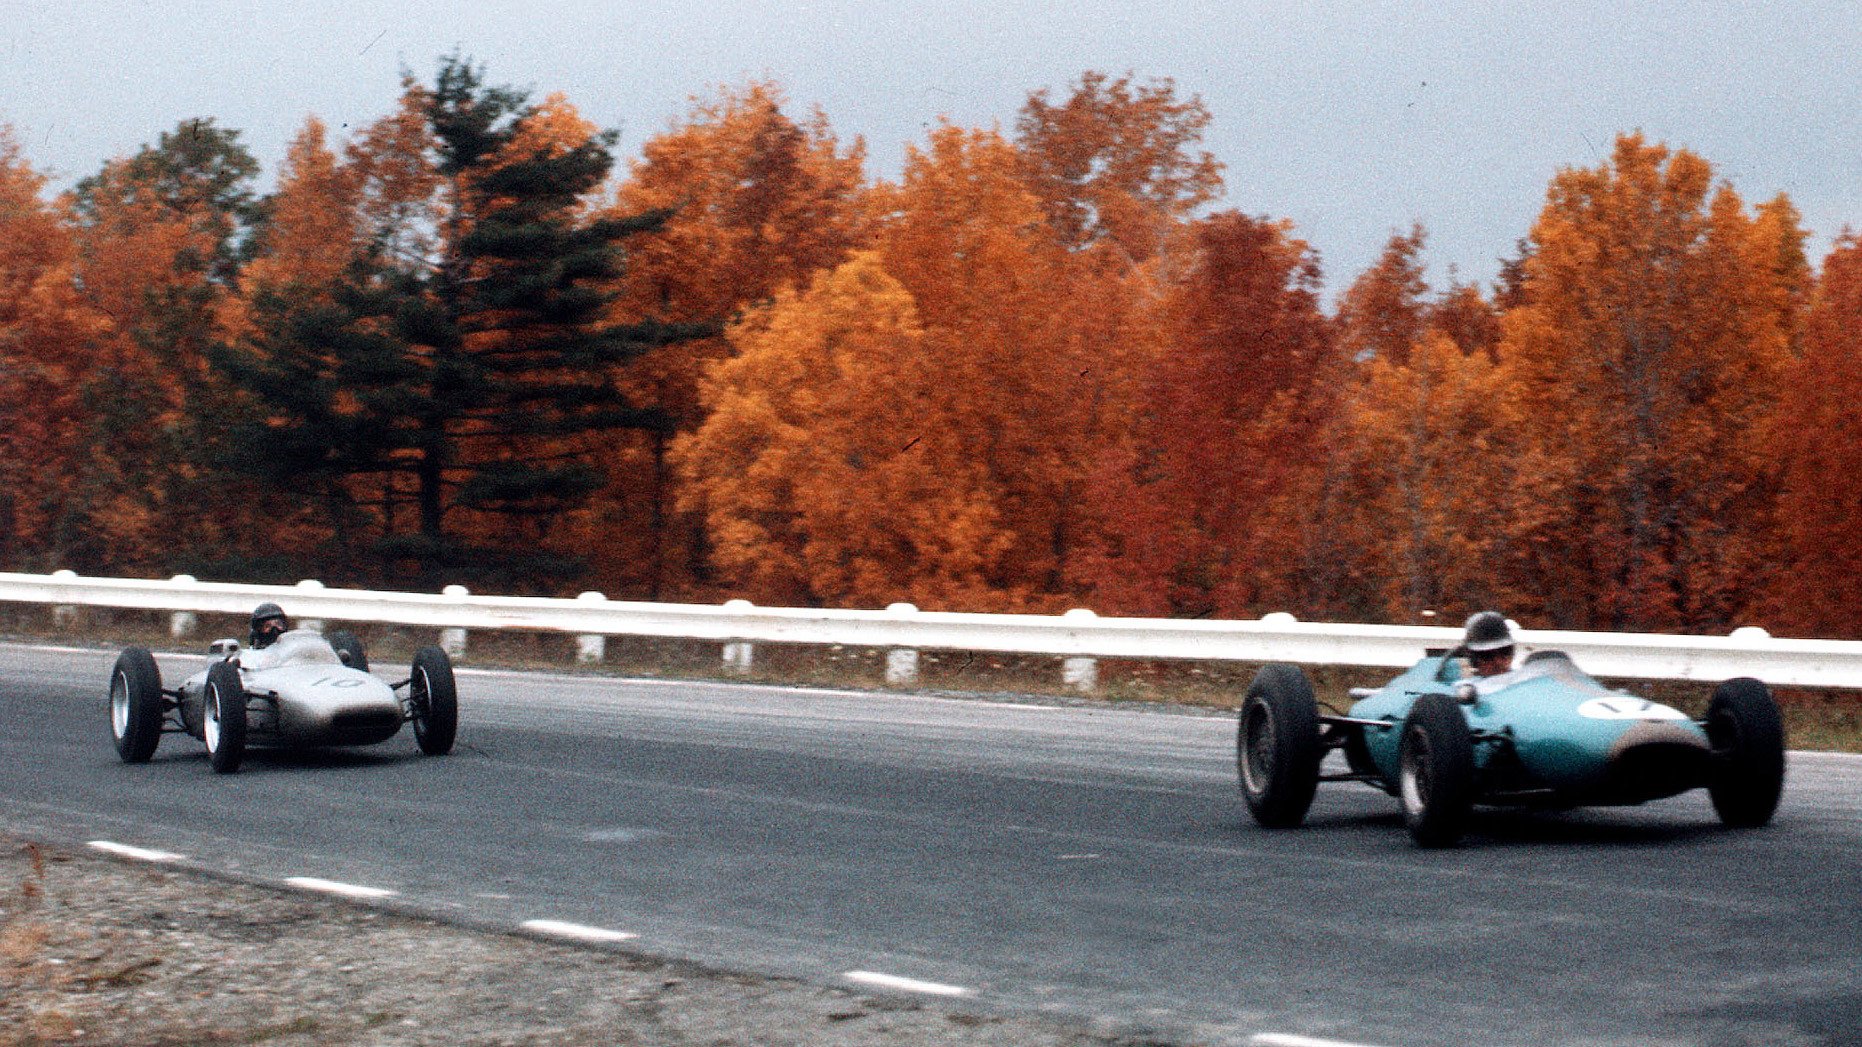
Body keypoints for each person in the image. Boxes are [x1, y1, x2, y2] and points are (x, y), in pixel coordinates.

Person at [1460, 610, 1515, 677]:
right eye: (1487, 655)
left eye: (1505, 652)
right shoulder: (1466, 686)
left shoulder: (1523, 682)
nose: (1498, 662)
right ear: (1473, 659)